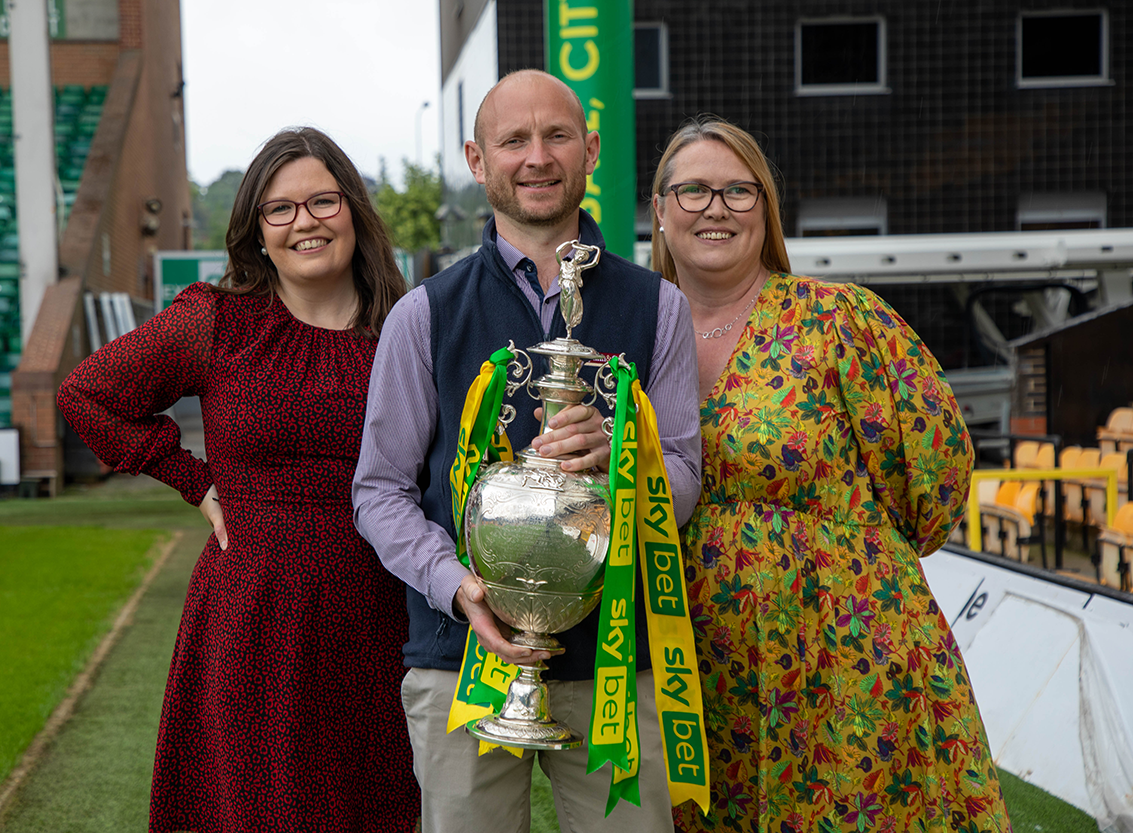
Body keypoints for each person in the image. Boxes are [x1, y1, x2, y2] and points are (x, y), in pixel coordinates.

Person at [352, 70, 701, 833]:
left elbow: (682, 469)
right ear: (479, 161)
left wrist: (623, 463)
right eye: (514, 140)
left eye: (556, 135)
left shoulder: (657, 305)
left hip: (616, 661)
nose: (536, 157)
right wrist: (458, 587)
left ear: (591, 150)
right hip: (462, 659)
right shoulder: (424, 313)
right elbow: (379, 489)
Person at [650, 116, 1011, 833]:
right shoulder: (631, 332)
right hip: (694, 661)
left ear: (767, 209)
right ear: (659, 211)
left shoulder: (837, 319)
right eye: (691, 190)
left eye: (738, 191)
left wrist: (854, 564)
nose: (715, 207)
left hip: (848, 648)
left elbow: (935, 463)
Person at [57, 127, 419, 833]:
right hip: (250, 622)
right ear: (256, 230)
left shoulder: (408, 329)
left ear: (353, 209)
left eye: (322, 200)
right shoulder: (218, 323)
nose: (304, 221)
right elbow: (85, 393)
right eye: (279, 209)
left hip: (380, 623)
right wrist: (190, 479)